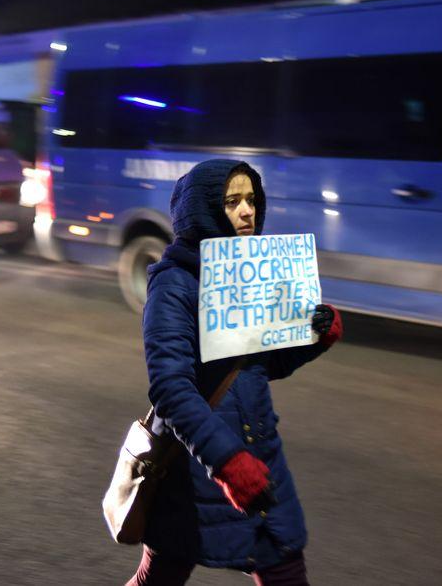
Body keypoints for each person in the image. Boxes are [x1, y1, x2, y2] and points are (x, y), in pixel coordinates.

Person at [126, 159, 343, 586]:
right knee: (163, 575)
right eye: (232, 202)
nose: (247, 211)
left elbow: (260, 367)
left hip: (262, 460)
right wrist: (227, 463)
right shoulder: (174, 284)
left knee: (285, 568)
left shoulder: (250, 273)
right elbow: (171, 388)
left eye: (251, 200)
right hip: (196, 471)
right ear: (202, 209)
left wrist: (312, 337)